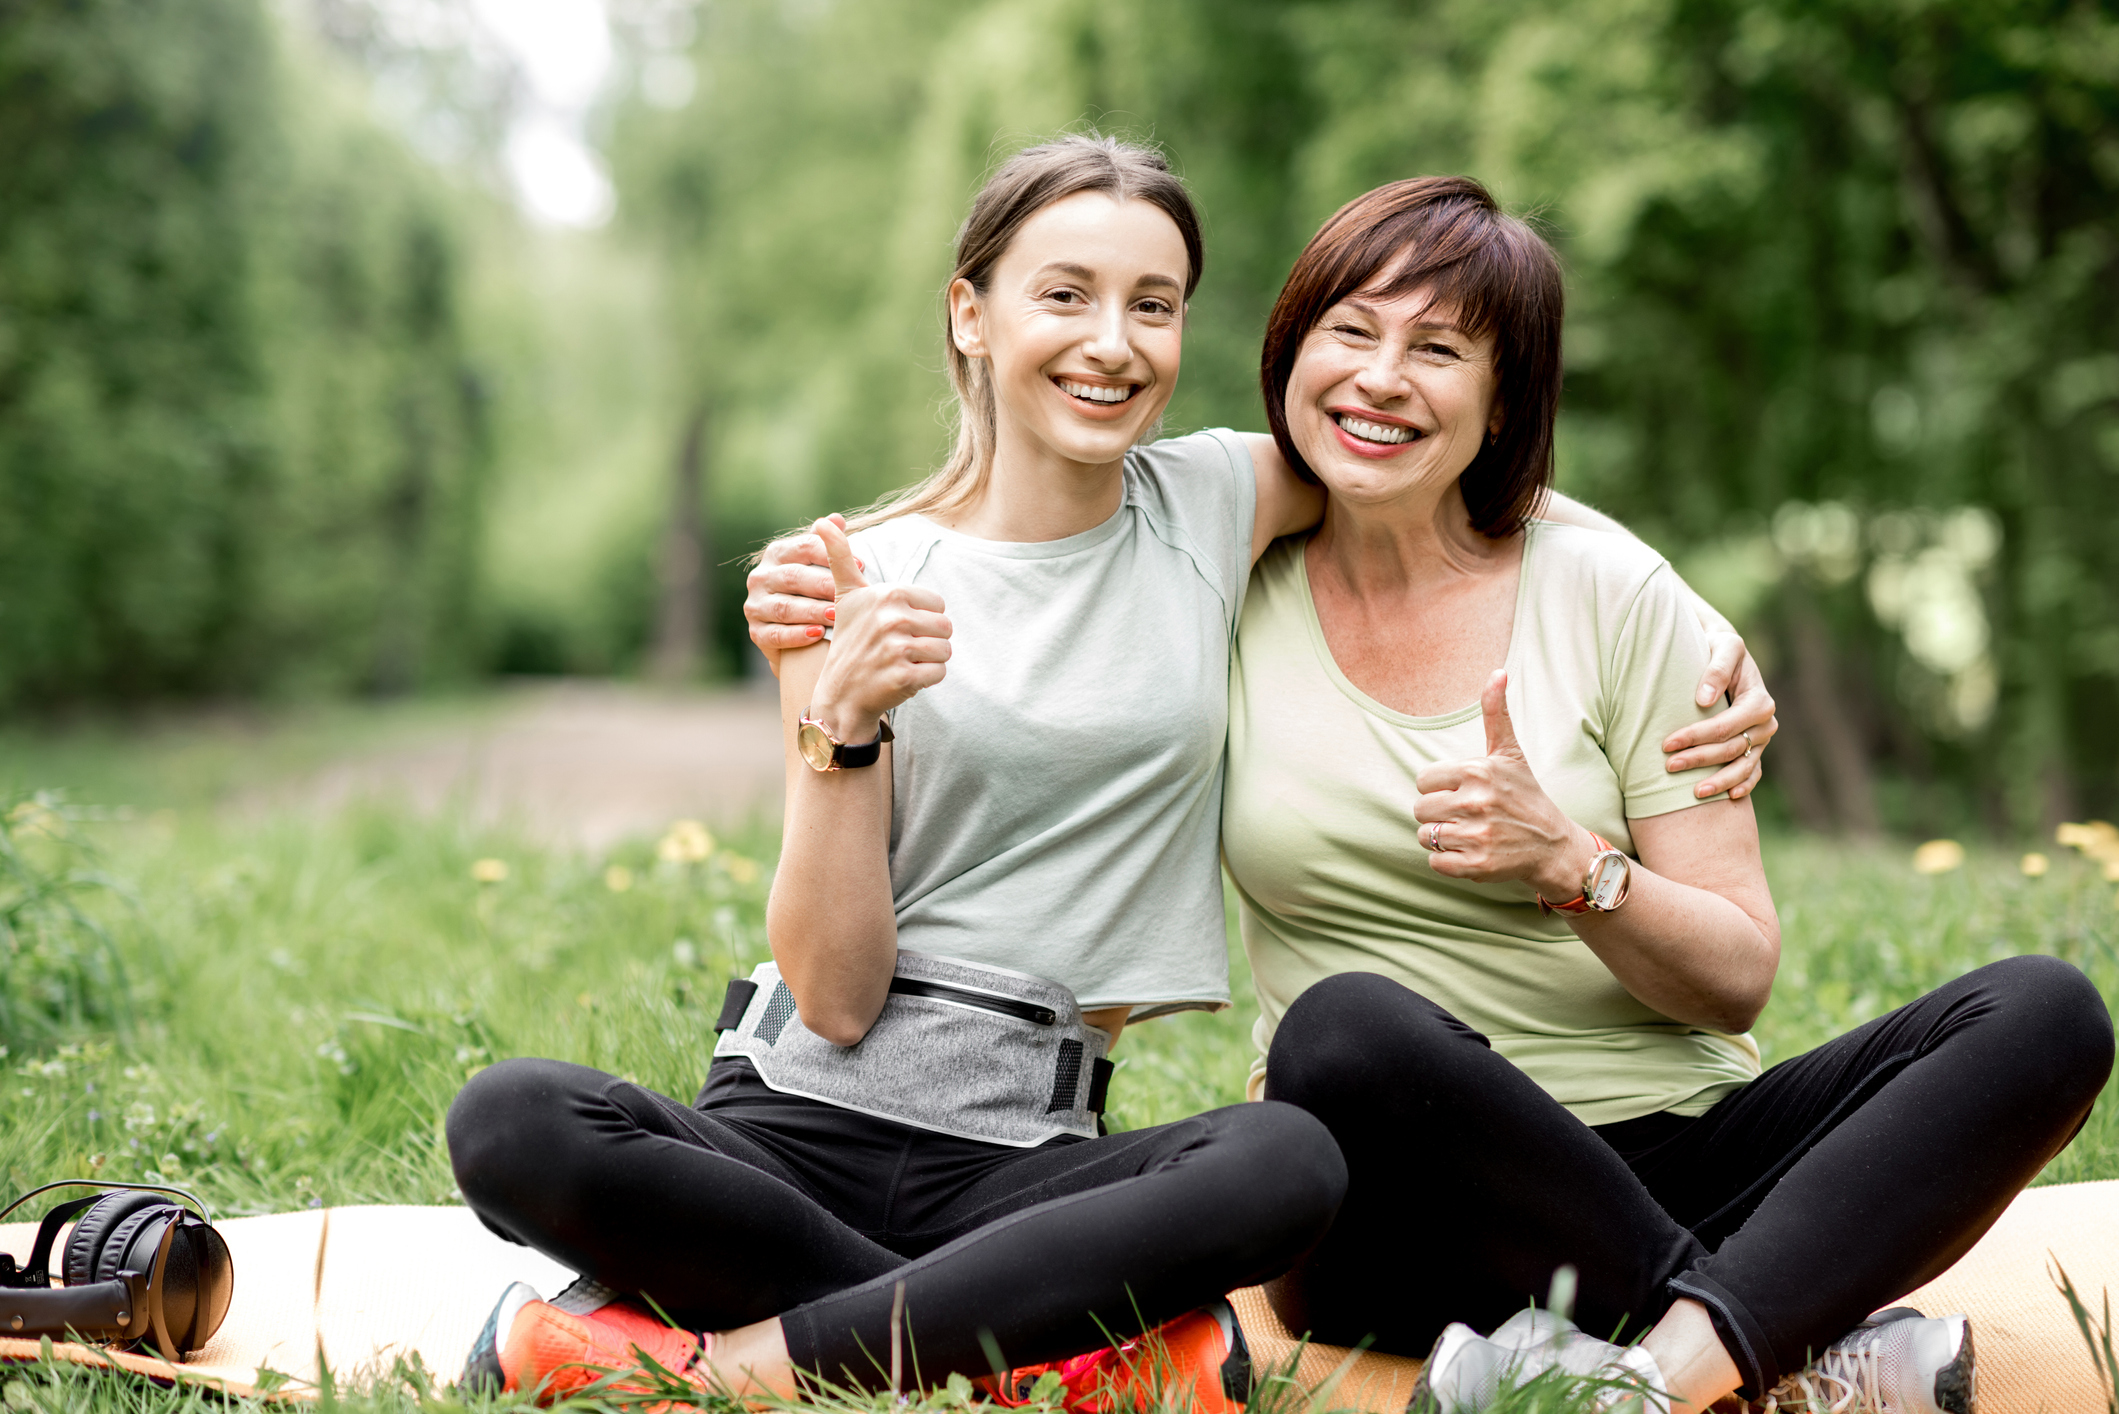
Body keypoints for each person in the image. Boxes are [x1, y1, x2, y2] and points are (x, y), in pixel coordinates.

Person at [444, 135, 1357, 1410]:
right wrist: (847, 722)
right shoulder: (844, 571)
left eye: (1153, 305)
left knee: (1286, 1160)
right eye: (1065, 293)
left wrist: (1652, 614)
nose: (1113, 341)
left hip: (1026, 1154)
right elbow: (830, 994)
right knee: (509, 1120)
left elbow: (1424, 457)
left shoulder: (1213, 497)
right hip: (792, 1128)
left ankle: (742, 1368)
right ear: (970, 315)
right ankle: (1020, 1344)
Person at [1221, 177, 2114, 1414]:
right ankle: (1780, 1340)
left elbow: (1736, 972)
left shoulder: (1613, 594)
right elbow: (1038, 523)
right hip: (1407, 1206)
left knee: (2048, 1010)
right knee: (1340, 1027)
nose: (1381, 376)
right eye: (1351, 330)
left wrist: (1573, 864)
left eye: (1437, 349)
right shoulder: (1216, 570)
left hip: (1678, 1156)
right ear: (1289, 350)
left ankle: (1648, 1382)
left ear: (1502, 400)